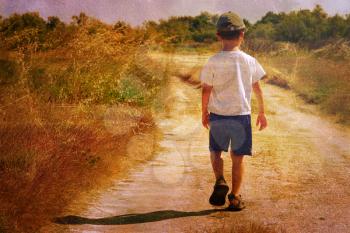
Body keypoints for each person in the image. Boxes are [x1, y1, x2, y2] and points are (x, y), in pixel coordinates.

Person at [200, 11, 267, 211]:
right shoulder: (249, 60)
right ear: (242, 34)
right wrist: (262, 112)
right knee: (238, 159)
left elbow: (206, 90)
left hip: (219, 116)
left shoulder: (213, 61)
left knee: (216, 152)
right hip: (241, 116)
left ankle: (220, 179)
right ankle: (235, 198)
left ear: (218, 35)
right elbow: (257, 88)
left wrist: (204, 112)